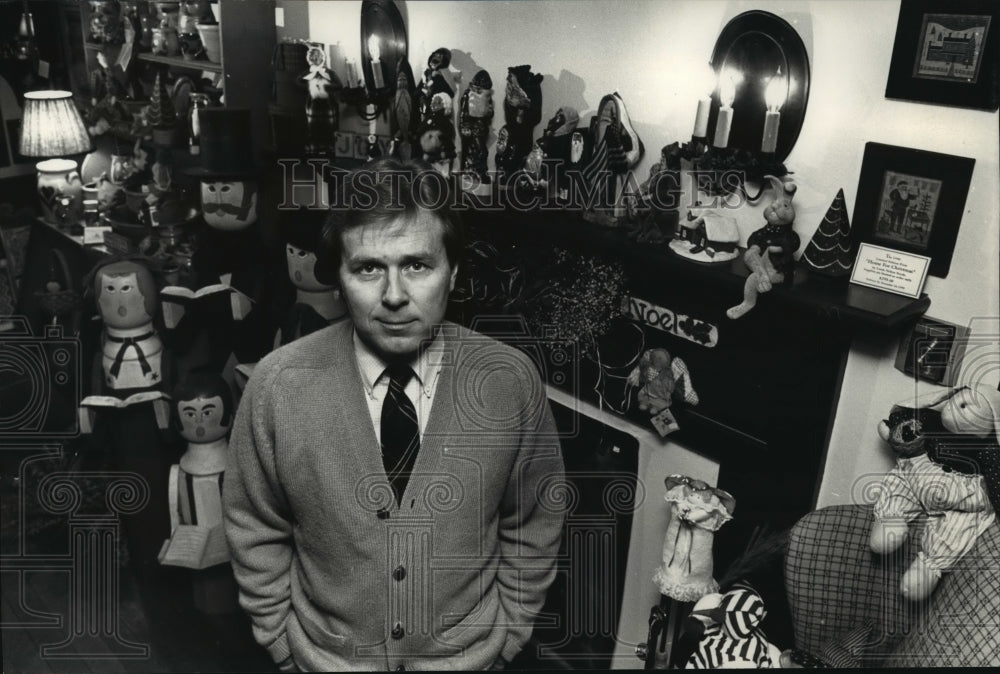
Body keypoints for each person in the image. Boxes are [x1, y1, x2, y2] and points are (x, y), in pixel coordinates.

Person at [223, 158, 565, 671]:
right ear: (339, 279)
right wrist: (281, 643)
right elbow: (254, 524)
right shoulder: (278, 385)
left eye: (417, 265)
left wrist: (510, 634)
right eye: (368, 268)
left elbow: (534, 521)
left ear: (453, 273)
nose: (394, 296)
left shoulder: (508, 381)